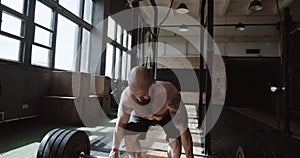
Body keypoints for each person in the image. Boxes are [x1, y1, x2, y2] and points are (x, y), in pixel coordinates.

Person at [109, 66, 194, 158]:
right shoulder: (127, 97)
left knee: (175, 140)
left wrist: (190, 155)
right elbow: (121, 124)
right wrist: (114, 149)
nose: (138, 99)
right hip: (141, 115)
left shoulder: (169, 94)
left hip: (165, 115)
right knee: (130, 136)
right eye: (135, 95)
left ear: (153, 83)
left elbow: (183, 128)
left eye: (142, 95)